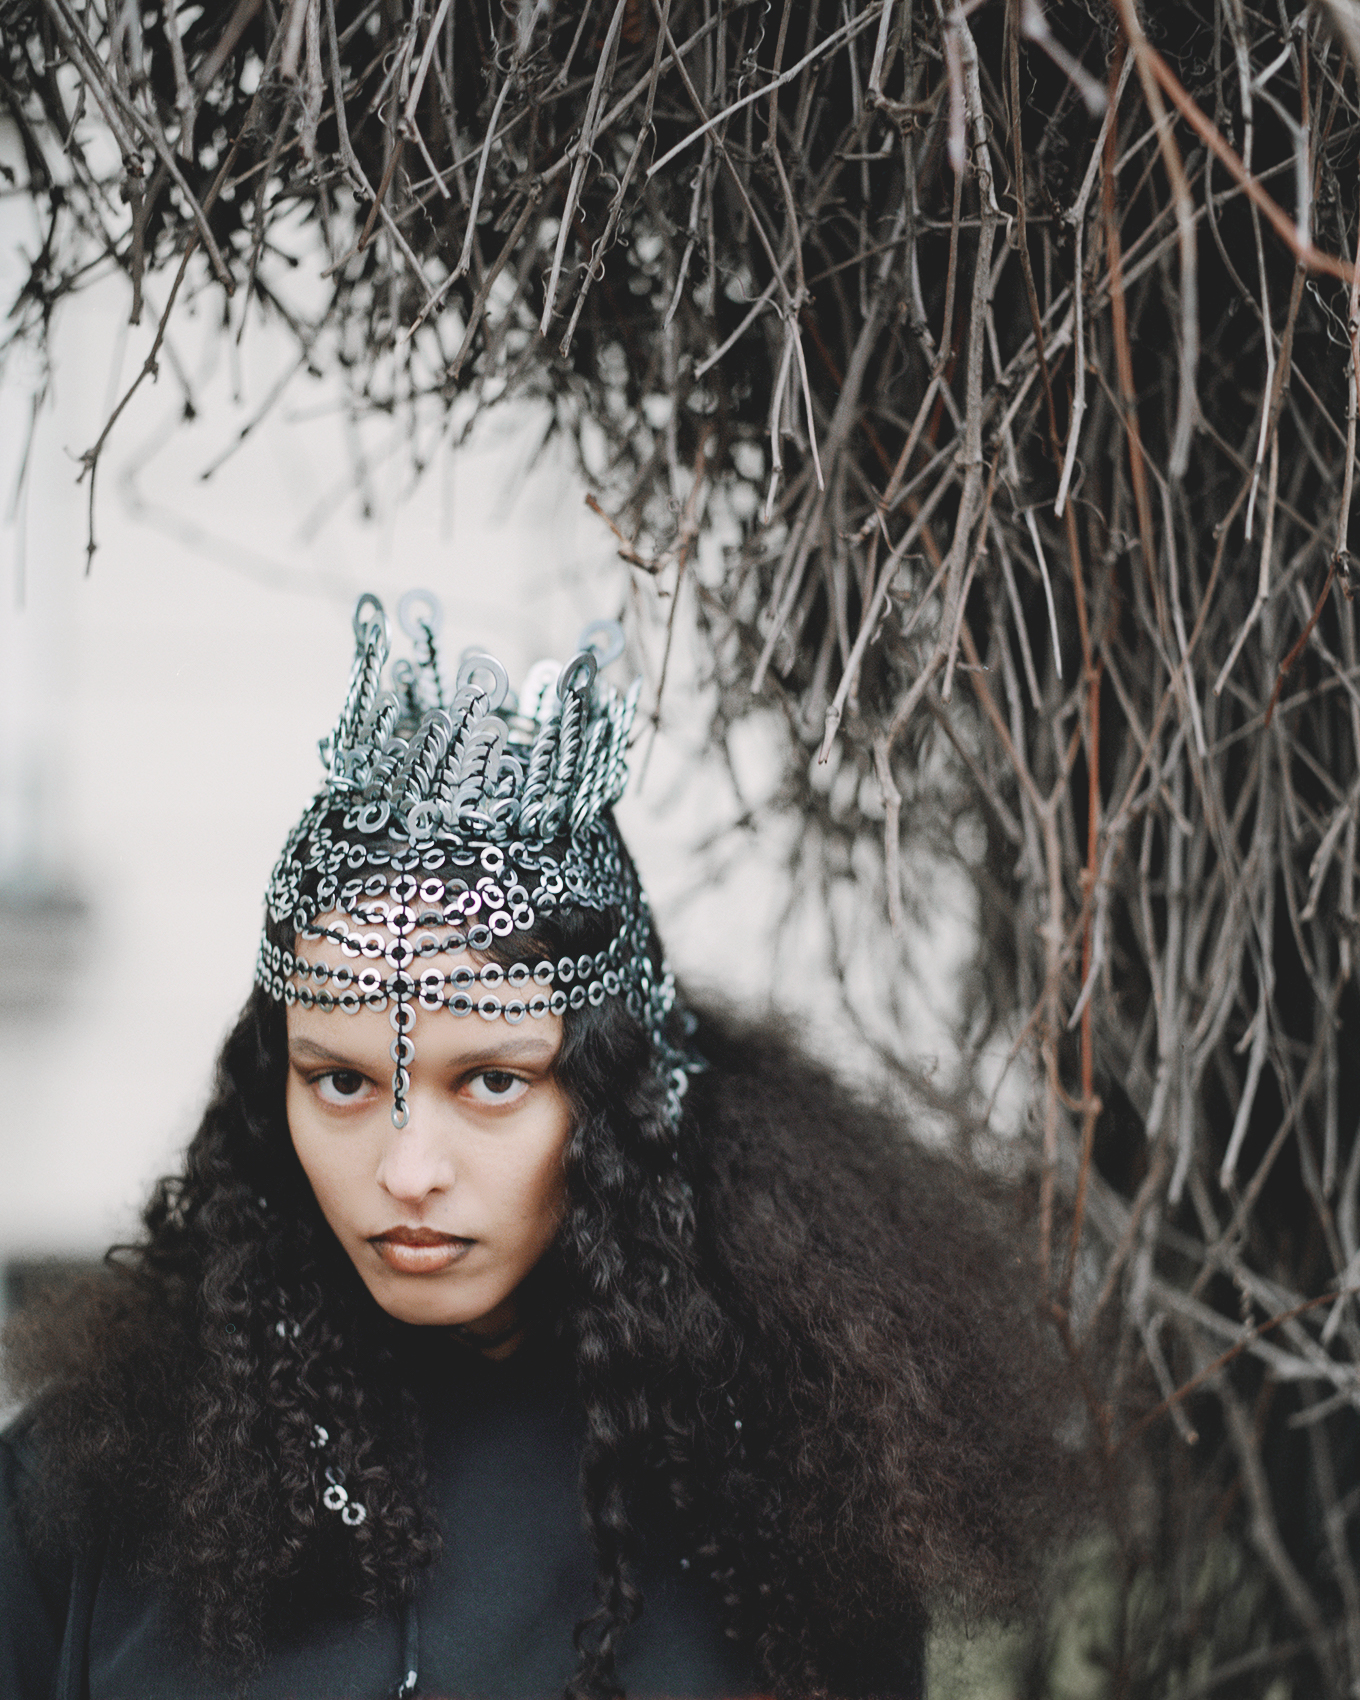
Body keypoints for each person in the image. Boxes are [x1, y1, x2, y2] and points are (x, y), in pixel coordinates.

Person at [1, 591, 1076, 1700]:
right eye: (341, 1080)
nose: (408, 1168)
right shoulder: (79, 1485)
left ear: (614, 1094)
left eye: (493, 1080)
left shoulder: (793, 1485)